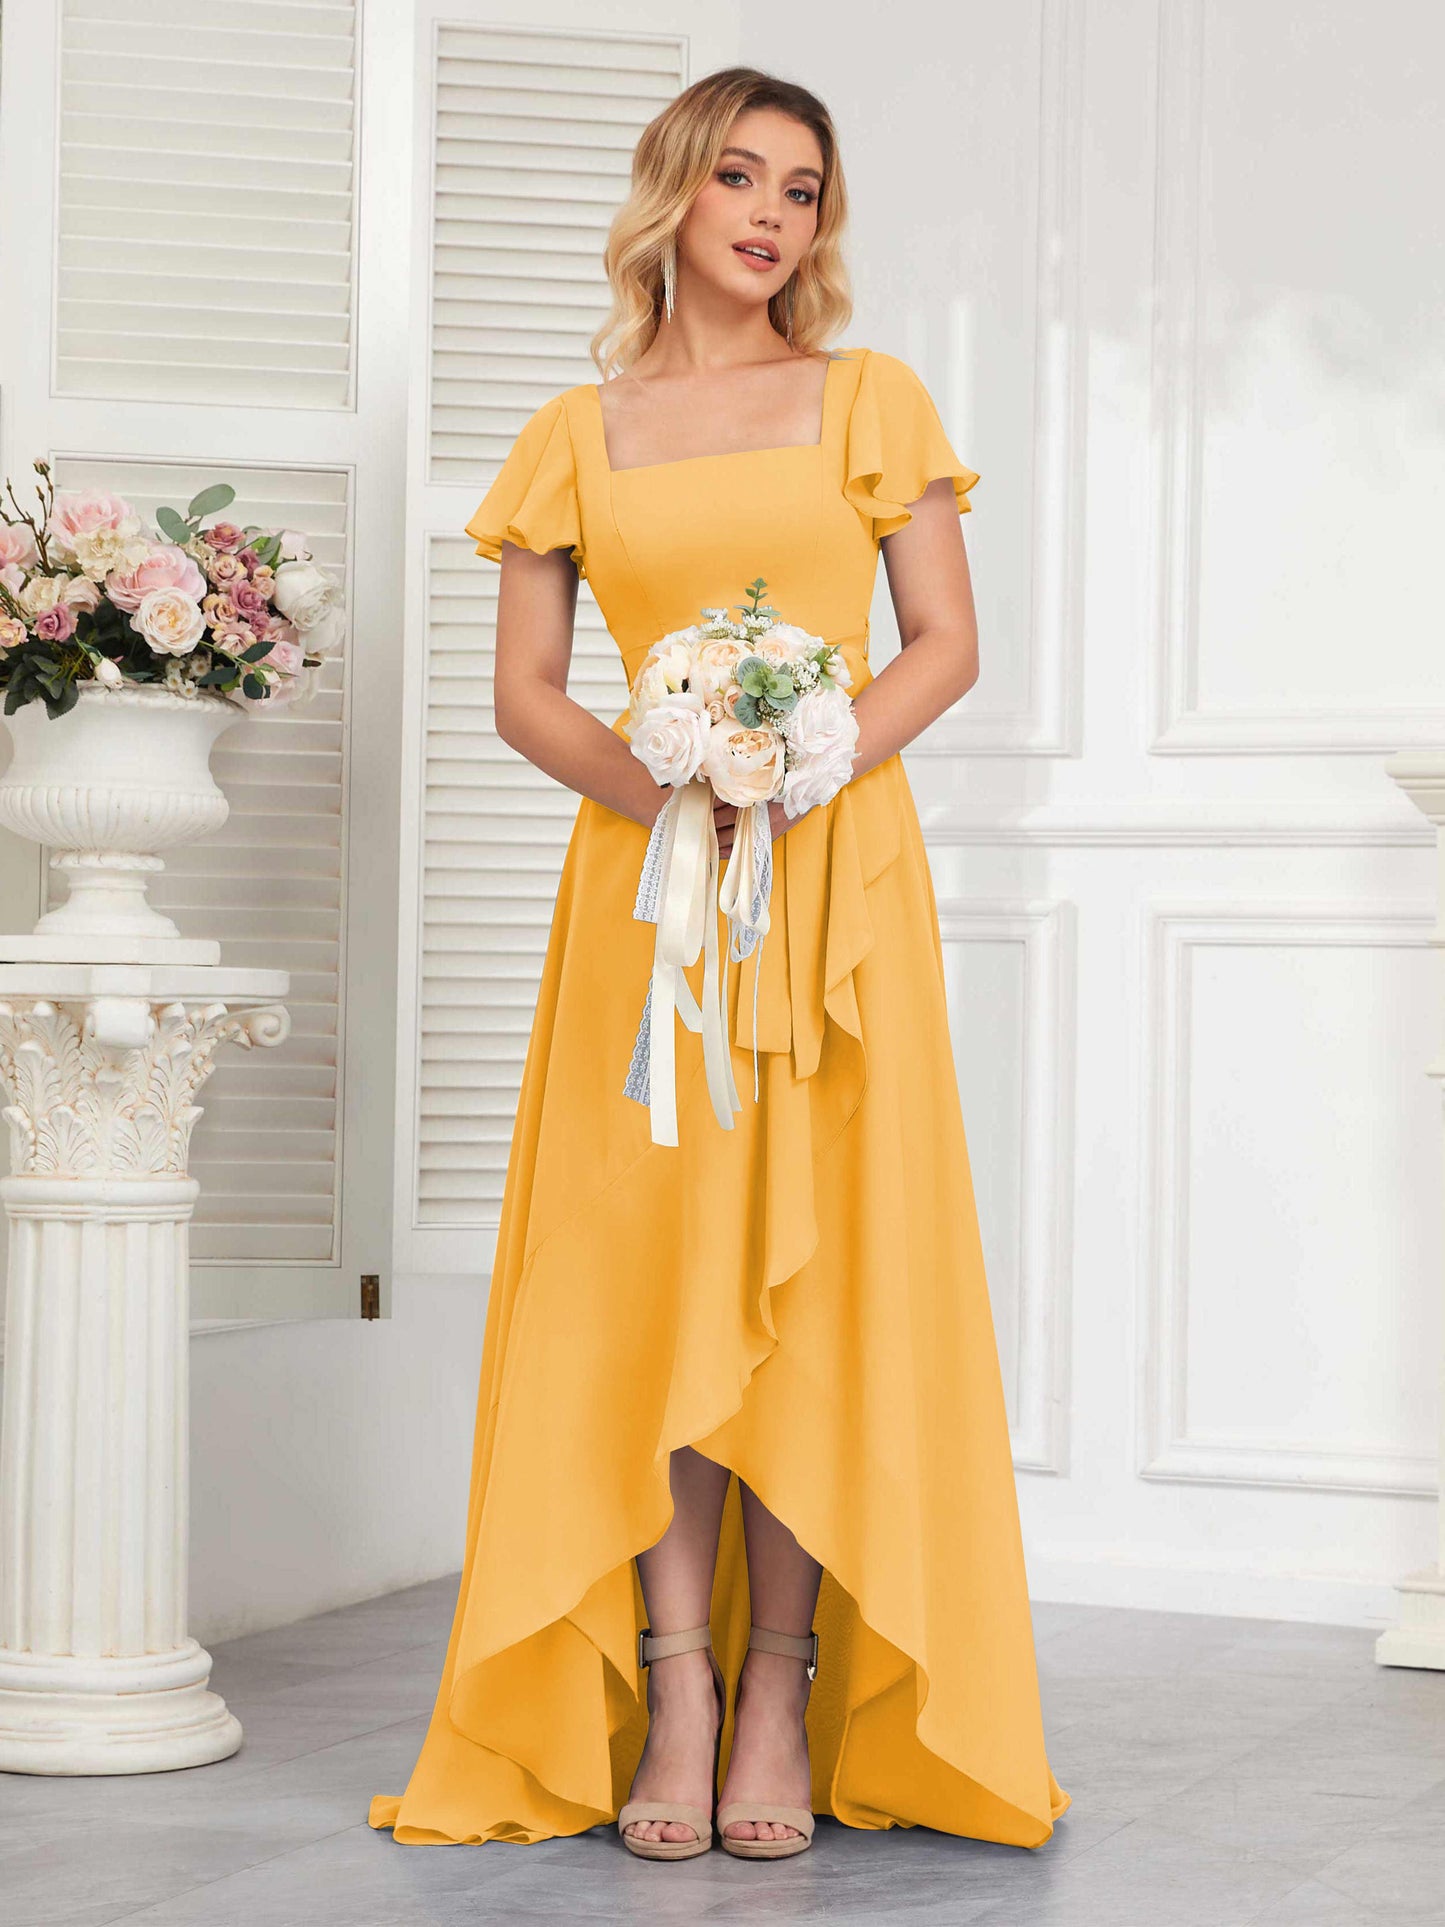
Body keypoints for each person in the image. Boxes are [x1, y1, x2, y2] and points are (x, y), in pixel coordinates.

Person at [369, 63, 1070, 1863]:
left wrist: (797, 770)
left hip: (836, 895)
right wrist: (680, 792)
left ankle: (778, 1686)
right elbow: (526, 693)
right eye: (741, 178)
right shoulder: (574, 431)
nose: (771, 215)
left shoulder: (865, 396)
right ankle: (673, 1684)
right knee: (656, 1294)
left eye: (802, 190)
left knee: (819, 1288)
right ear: (673, 192)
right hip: (651, 906)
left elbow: (942, 643)